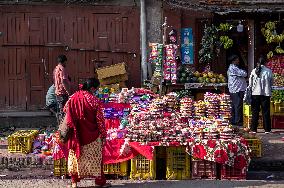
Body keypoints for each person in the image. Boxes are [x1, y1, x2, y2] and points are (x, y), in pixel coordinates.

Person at [62, 78, 108, 188]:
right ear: (92, 88)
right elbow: (100, 121)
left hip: (76, 135)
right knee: (96, 159)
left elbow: (65, 110)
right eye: (96, 89)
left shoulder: (73, 97)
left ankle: (74, 182)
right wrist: (103, 135)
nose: (96, 91)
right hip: (92, 136)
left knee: (74, 159)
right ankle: (99, 182)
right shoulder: (95, 101)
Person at [249, 56, 273, 134]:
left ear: (258, 63)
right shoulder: (268, 71)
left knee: (255, 111)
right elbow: (271, 82)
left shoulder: (253, 71)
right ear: (265, 62)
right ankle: (267, 129)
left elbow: (250, 84)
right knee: (266, 111)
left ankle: (253, 129)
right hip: (266, 94)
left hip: (255, 93)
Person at [227, 54, 247, 127]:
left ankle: (235, 120)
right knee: (237, 105)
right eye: (237, 60)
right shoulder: (233, 68)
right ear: (234, 61)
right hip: (236, 89)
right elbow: (244, 74)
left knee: (236, 105)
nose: (238, 61)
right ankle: (237, 121)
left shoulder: (235, 68)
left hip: (237, 89)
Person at [53, 54, 71, 123]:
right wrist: (68, 92)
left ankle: (60, 127)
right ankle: (62, 128)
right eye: (66, 62)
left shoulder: (56, 69)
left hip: (58, 93)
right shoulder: (62, 69)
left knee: (60, 111)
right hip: (62, 93)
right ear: (64, 61)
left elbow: (54, 81)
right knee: (64, 111)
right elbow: (64, 81)